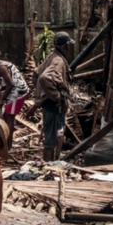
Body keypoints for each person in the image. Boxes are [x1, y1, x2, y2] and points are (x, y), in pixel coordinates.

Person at [23, 32, 73, 161]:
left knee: (51, 136)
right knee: (51, 139)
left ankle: (50, 164)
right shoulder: (58, 61)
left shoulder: (52, 56)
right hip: (53, 105)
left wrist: (41, 93)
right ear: (66, 46)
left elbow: (36, 75)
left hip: (47, 103)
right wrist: (56, 96)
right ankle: (48, 166)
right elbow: (45, 78)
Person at [0, 48, 29, 149]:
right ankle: (5, 144)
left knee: (9, 119)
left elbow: (10, 85)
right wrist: (0, 98)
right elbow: (3, 86)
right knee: (6, 117)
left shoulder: (2, 67)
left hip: (18, 93)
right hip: (13, 92)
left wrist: (2, 99)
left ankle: (8, 147)